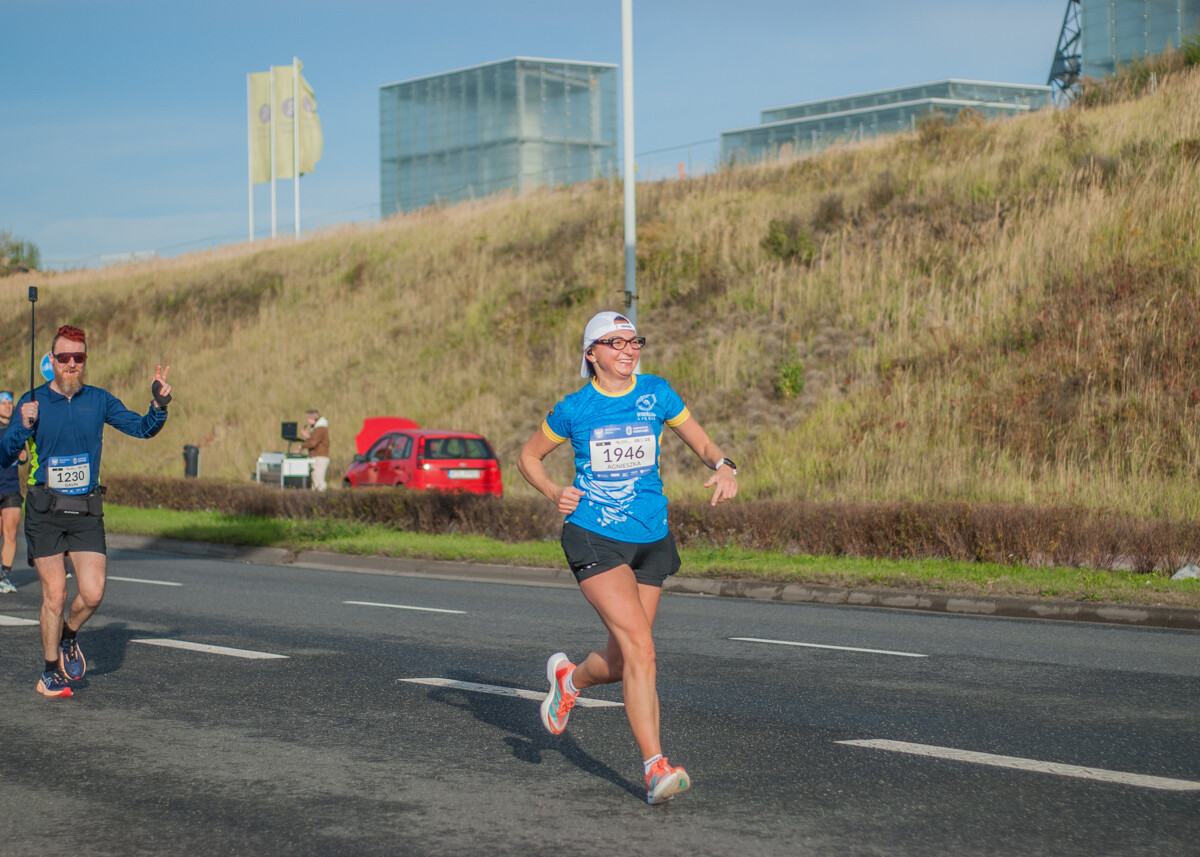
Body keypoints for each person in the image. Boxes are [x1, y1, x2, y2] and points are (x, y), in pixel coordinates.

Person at [517, 310, 739, 805]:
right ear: (590, 354)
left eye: (633, 341)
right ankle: (655, 766)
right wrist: (555, 490)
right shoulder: (574, 409)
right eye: (614, 343)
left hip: (652, 539)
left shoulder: (656, 393)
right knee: (643, 648)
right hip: (594, 535)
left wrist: (723, 465)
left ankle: (568, 679)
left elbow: (700, 440)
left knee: (622, 659)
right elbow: (528, 457)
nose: (628, 350)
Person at [0, 325, 172, 698]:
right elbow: (3, 453)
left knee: (92, 594)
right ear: (52, 360)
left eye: (79, 357)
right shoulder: (33, 402)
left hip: (86, 509)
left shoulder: (99, 400)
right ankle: (49, 673)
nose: (72, 363)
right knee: (55, 595)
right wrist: (22, 427)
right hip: (45, 510)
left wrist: (158, 405)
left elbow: (142, 429)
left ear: (85, 360)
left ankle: (68, 636)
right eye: (64, 357)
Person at [0, 392, 27, 593]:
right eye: (4, 403)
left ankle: (4, 576)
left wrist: (24, 455)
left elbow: (25, 455)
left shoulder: (16, 429)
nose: (8, 406)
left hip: (11, 487)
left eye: (10, 403)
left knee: (10, 534)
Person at [298, 408, 330, 491]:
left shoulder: (320, 429)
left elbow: (313, 443)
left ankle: (322, 499)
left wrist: (301, 446)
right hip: (316, 457)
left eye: (308, 418)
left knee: (319, 482)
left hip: (320, 458)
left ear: (313, 418)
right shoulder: (316, 428)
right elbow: (314, 440)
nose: (307, 421)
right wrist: (307, 436)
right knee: (315, 482)